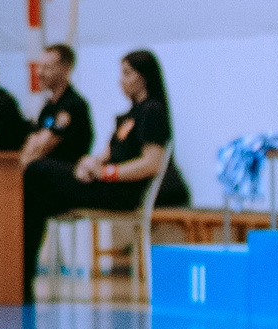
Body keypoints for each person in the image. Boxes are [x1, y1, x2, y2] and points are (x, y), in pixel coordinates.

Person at [19, 49, 188, 303]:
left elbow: (151, 163)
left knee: (37, 170)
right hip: (106, 183)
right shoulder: (129, 115)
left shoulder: (152, 112)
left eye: (127, 73)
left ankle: (22, 277)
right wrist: (91, 162)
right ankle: (21, 279)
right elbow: (106, 154)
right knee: (36, 200)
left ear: (143, 77)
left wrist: (108, 172)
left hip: (122, 191)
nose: (122, 80)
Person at [19, 43, 94, 171]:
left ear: (65, 69)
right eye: (39, 67)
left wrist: (26, 160)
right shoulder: (49, 107)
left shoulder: (72, 105)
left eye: (47, 67)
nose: (40, 73)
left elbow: (44, 144)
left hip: (66, 175)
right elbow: (33, 140)